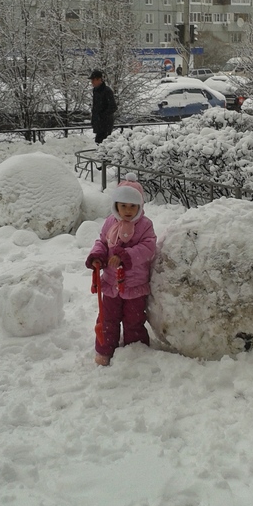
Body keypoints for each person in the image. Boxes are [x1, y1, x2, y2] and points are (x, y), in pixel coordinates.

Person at [85, 173, 157, 366]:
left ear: (140, 206)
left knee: (134, 320)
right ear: (115, 205)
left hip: (134, 285)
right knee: (108, 318)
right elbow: (102, 242)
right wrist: (98, 256)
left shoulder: (145, 226)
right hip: (110, 283)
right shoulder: (110, 222)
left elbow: (149, 248)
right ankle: (105, 349)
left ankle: (136, 352)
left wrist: (126, 256)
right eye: (123, 205)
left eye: (133, 206)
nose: (128, 210)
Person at [88, 68, 117, 144]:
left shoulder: (107, 91)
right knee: (98, 143)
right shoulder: (95, 91)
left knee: (103, 143)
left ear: (99, 79)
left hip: (105, 124)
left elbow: (113, 107)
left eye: (93, 80)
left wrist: (102, 115)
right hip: (99, 124)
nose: (92, 82)